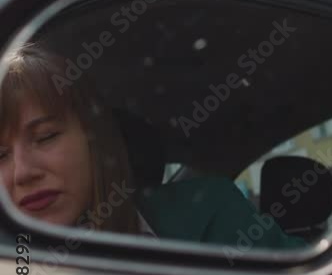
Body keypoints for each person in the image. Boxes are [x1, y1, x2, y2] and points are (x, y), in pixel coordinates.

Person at [0, 43, 305, 250]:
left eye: (46, 136)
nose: (23, 173)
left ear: (95, 140)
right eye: (0, 155)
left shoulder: (209, 215)